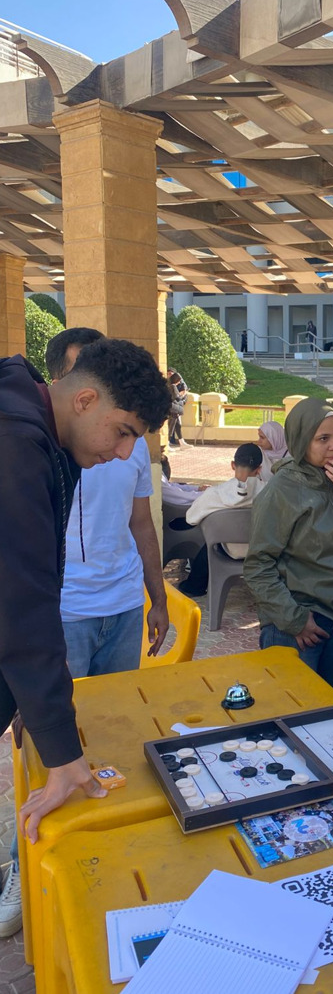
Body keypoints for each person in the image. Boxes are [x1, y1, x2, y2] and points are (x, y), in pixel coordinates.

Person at [0, 341, 170, 850]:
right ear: (85, 400)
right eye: (123, 432)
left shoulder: (45, 432)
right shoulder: (14, 444)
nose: (124, 453)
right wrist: (63, 755)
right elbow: (22, 605)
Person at [46, 328, 169, 680]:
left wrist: (158, 599)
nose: (122, 451)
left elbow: (141, 523)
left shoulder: (132, 444)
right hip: (65, 613)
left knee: (119, 709)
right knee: (63, 711)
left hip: (125, 605)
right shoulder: (36, 453)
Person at [244, 399, 333, 696]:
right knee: (294, 707)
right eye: (323, 439)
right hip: (299, 623)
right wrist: (295, 619)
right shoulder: (282, 491)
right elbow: (258, 566)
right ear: (301, 441)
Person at [177, 443, 264, 597]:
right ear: (259, 469)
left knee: (209, 543)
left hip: (228, 551)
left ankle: (194, 586)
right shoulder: (271, 491)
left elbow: (191, 518)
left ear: (232, 465)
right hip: (262, 550)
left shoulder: (215, 494)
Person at [257, 420, 288, 484]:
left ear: (274, 438)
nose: (258, 441)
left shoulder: (291, 457)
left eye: (262, 437)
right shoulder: (258, 453)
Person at [166, 368, 188, 450]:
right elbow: (177, 397)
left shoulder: (172, 385)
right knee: (171, 426)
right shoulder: (173, 386)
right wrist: (181, 396)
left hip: (175, 408)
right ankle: (168, 443)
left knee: (176, 425)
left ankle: (181, 442)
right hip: (173, 408)